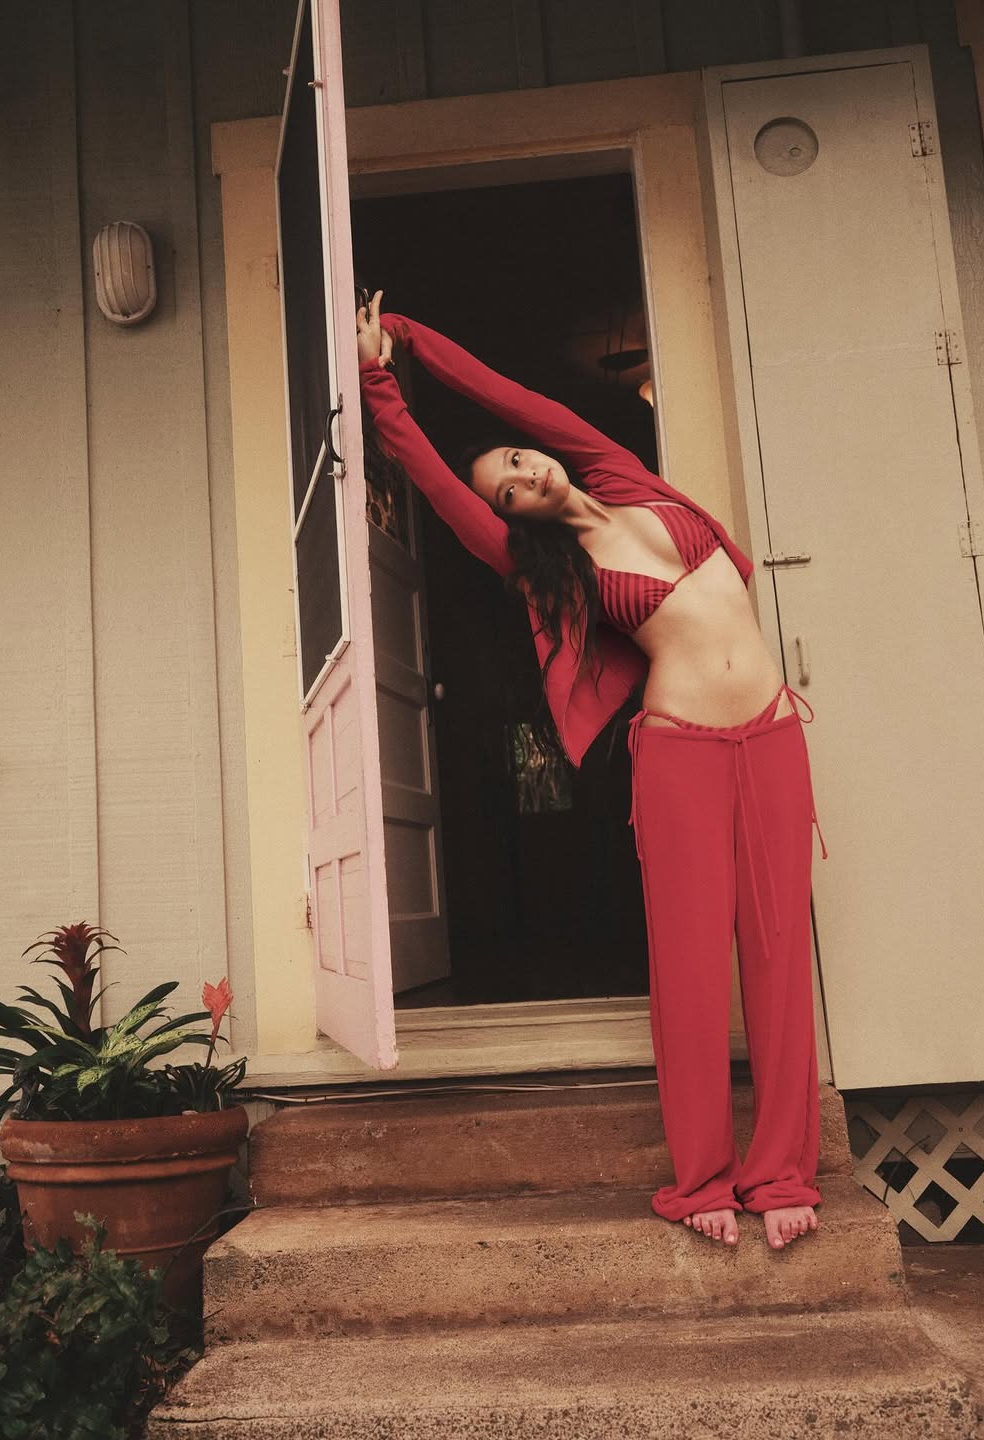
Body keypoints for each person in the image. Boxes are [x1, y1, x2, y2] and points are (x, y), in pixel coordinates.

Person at [356, 290, 827, 1252]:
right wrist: (378, 385)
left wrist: (406, 338)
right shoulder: (549, 566)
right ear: (513, 520)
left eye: (517, 460)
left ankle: (781, 1171)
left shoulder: (622, 471)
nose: (523, 474)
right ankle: (703, 1178)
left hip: (775, 735)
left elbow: (508, 395)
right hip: (683, 751)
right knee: (691, 967)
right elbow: (438, 488)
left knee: (780, 954)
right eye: (507, 489)